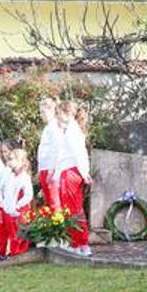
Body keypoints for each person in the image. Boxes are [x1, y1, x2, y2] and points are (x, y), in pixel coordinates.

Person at [54, 101, 92, 256]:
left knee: (73, 210)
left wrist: (84, 173)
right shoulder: (71, 130)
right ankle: (78, 243)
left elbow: (79, 154)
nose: (57, 116)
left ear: (66, 113)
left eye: (58, 113)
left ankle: (79, 244)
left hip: (70, 172)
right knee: (73, 209)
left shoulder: (72, 130)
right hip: (70, 171)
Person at [1, 148, 33, 257]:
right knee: (12, 232)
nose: (9, 162)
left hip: (20, 210)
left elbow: (28, 195)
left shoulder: (25, 177)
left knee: (19, 233)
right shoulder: (10, 175)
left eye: (11, 159)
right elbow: (4, 188)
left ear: (20, 161)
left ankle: (19, 253)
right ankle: (14, 252)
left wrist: (18, 205)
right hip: (10, 209)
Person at [37, 97, 60, 210]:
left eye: (43, 111)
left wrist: (52, 170)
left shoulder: (55, 126)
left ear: (52, 110)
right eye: (40, 112)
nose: (41, 115)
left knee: (54, 202)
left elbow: (56, 149)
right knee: (49, 202)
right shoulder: (48, 127)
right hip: (44, 168)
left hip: (51, 169)